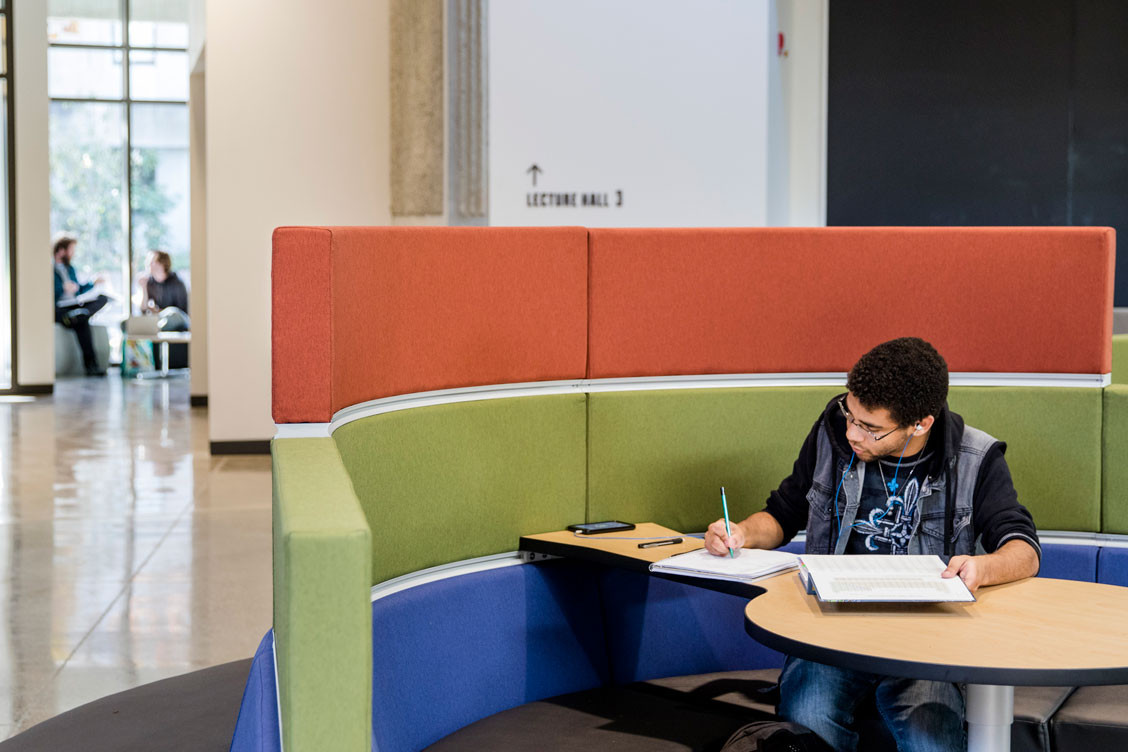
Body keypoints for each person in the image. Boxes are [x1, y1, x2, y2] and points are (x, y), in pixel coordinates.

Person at [704, 337, 1041, 752]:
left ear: (920, 423)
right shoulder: (832, 434)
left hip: (926, 644)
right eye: (850, 414)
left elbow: (1023, 549)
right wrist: (740, 533)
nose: (852, 432)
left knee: (929, 738)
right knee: (807, 716)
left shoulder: (976, 457)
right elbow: (783, 513)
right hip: (833, 632)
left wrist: (981, 568)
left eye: (870, 427)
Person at [53, 233, 110, 377]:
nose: (73, 253)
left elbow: (78, 289)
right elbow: (46, 293)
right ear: (61, 250)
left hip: (74, 306)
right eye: (71, 249)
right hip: (59, 308)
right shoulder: (49, 268)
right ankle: (91, 366)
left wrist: (93, 282)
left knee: (102, 299)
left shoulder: (70, 269)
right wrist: (62, 288)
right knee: (82, 321)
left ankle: (78, 315)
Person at [136, 250, 189, 370]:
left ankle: (149, 329)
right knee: (127, 323)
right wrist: (143, 288)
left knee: (171, 313)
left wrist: (157, 311)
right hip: (160, 320)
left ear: (162, 264)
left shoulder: (177, 282)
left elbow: (180, 310)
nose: (148, 264)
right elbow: (143, 310)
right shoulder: (149, 283)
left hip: (178, 319)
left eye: (152, 261)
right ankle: (149, 328)